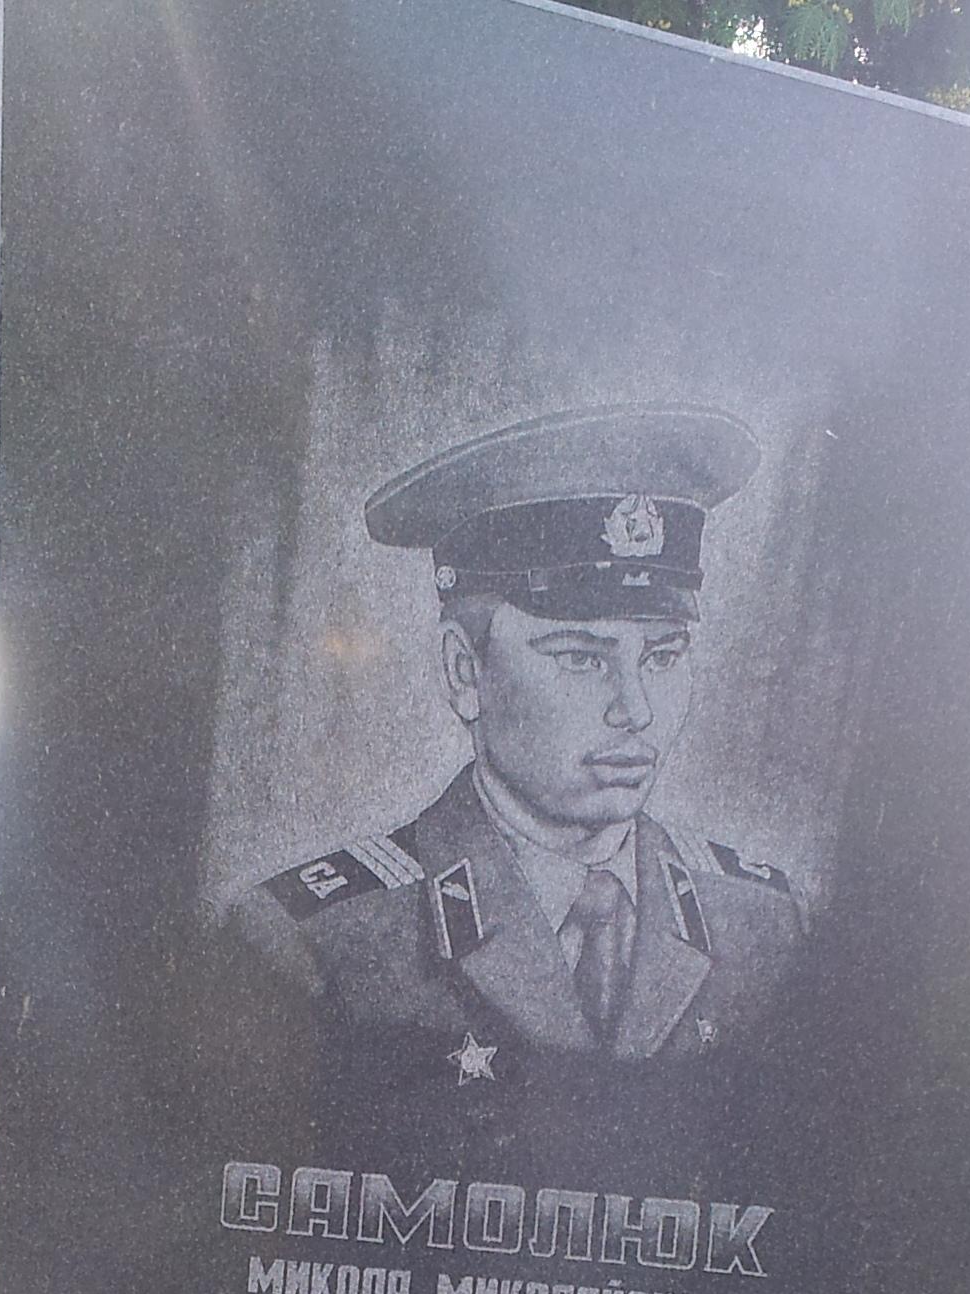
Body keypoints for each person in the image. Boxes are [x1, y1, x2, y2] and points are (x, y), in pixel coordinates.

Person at [234, 405, 805, 1084]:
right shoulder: (325, 940)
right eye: (581, 658)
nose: (636, 710)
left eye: (661, 656)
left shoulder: (764, 922)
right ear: (465, 672)